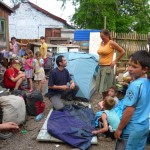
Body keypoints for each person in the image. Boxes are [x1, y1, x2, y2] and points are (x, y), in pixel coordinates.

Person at [114, 50, 150, 150]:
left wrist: (119, 128)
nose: (129, 69)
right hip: (144, 126)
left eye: (134, 67)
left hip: (131, 128)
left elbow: (129, 110)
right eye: (129, 65)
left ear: (144, 69)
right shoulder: (147, 82)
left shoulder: (135, 86)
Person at [96, 29, 125, 93]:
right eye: (100, 37)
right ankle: (104, 101)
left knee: (107, 89)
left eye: (103, 37)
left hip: (107, 68)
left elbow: (122, 51)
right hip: (101, 68)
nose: (101, 38)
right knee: (102, 89)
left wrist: (115, 61)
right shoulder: (102, 43)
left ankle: (108, 102)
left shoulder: (111, 43)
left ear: (108, 35)